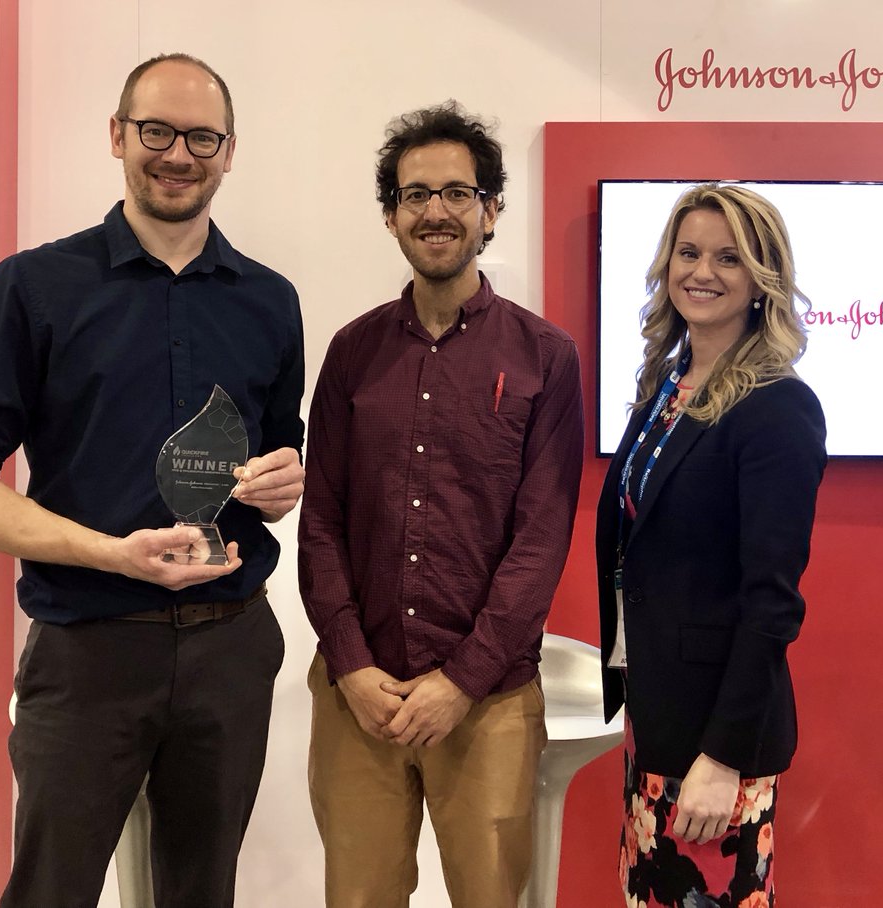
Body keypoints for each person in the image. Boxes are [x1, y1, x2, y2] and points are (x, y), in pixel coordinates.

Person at [0, 53, 305, 908]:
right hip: (86, 651)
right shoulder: (31, 289)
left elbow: (280, 449)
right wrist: (110, 554)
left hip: (230, 646)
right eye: (157, 131)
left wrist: (284, 480)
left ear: (230, 149)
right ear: (118, 137)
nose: (178, 154)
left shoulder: (270, 301)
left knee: (201, 892)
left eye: (202, 136)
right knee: (52, 891)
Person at [297, 101, 584, 908]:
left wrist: (460, 680)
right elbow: (320, 522)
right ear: (390, 215)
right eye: (416, 194)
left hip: (486, 702)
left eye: (458, 193)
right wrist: (351, 664)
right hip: (362, 699)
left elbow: (542, 539)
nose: (436, 211)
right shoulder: (352, 352)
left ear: (491, 210)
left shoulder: (545, 358)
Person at [595, 184, 827, 907]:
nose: (703, 271)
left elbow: (772, 603)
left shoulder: (779, 408)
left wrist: (722, 758)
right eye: (689, 252)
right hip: (657, 713)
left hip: (714, 739)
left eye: (729, 258)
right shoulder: (669, 387)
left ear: (762, 280)